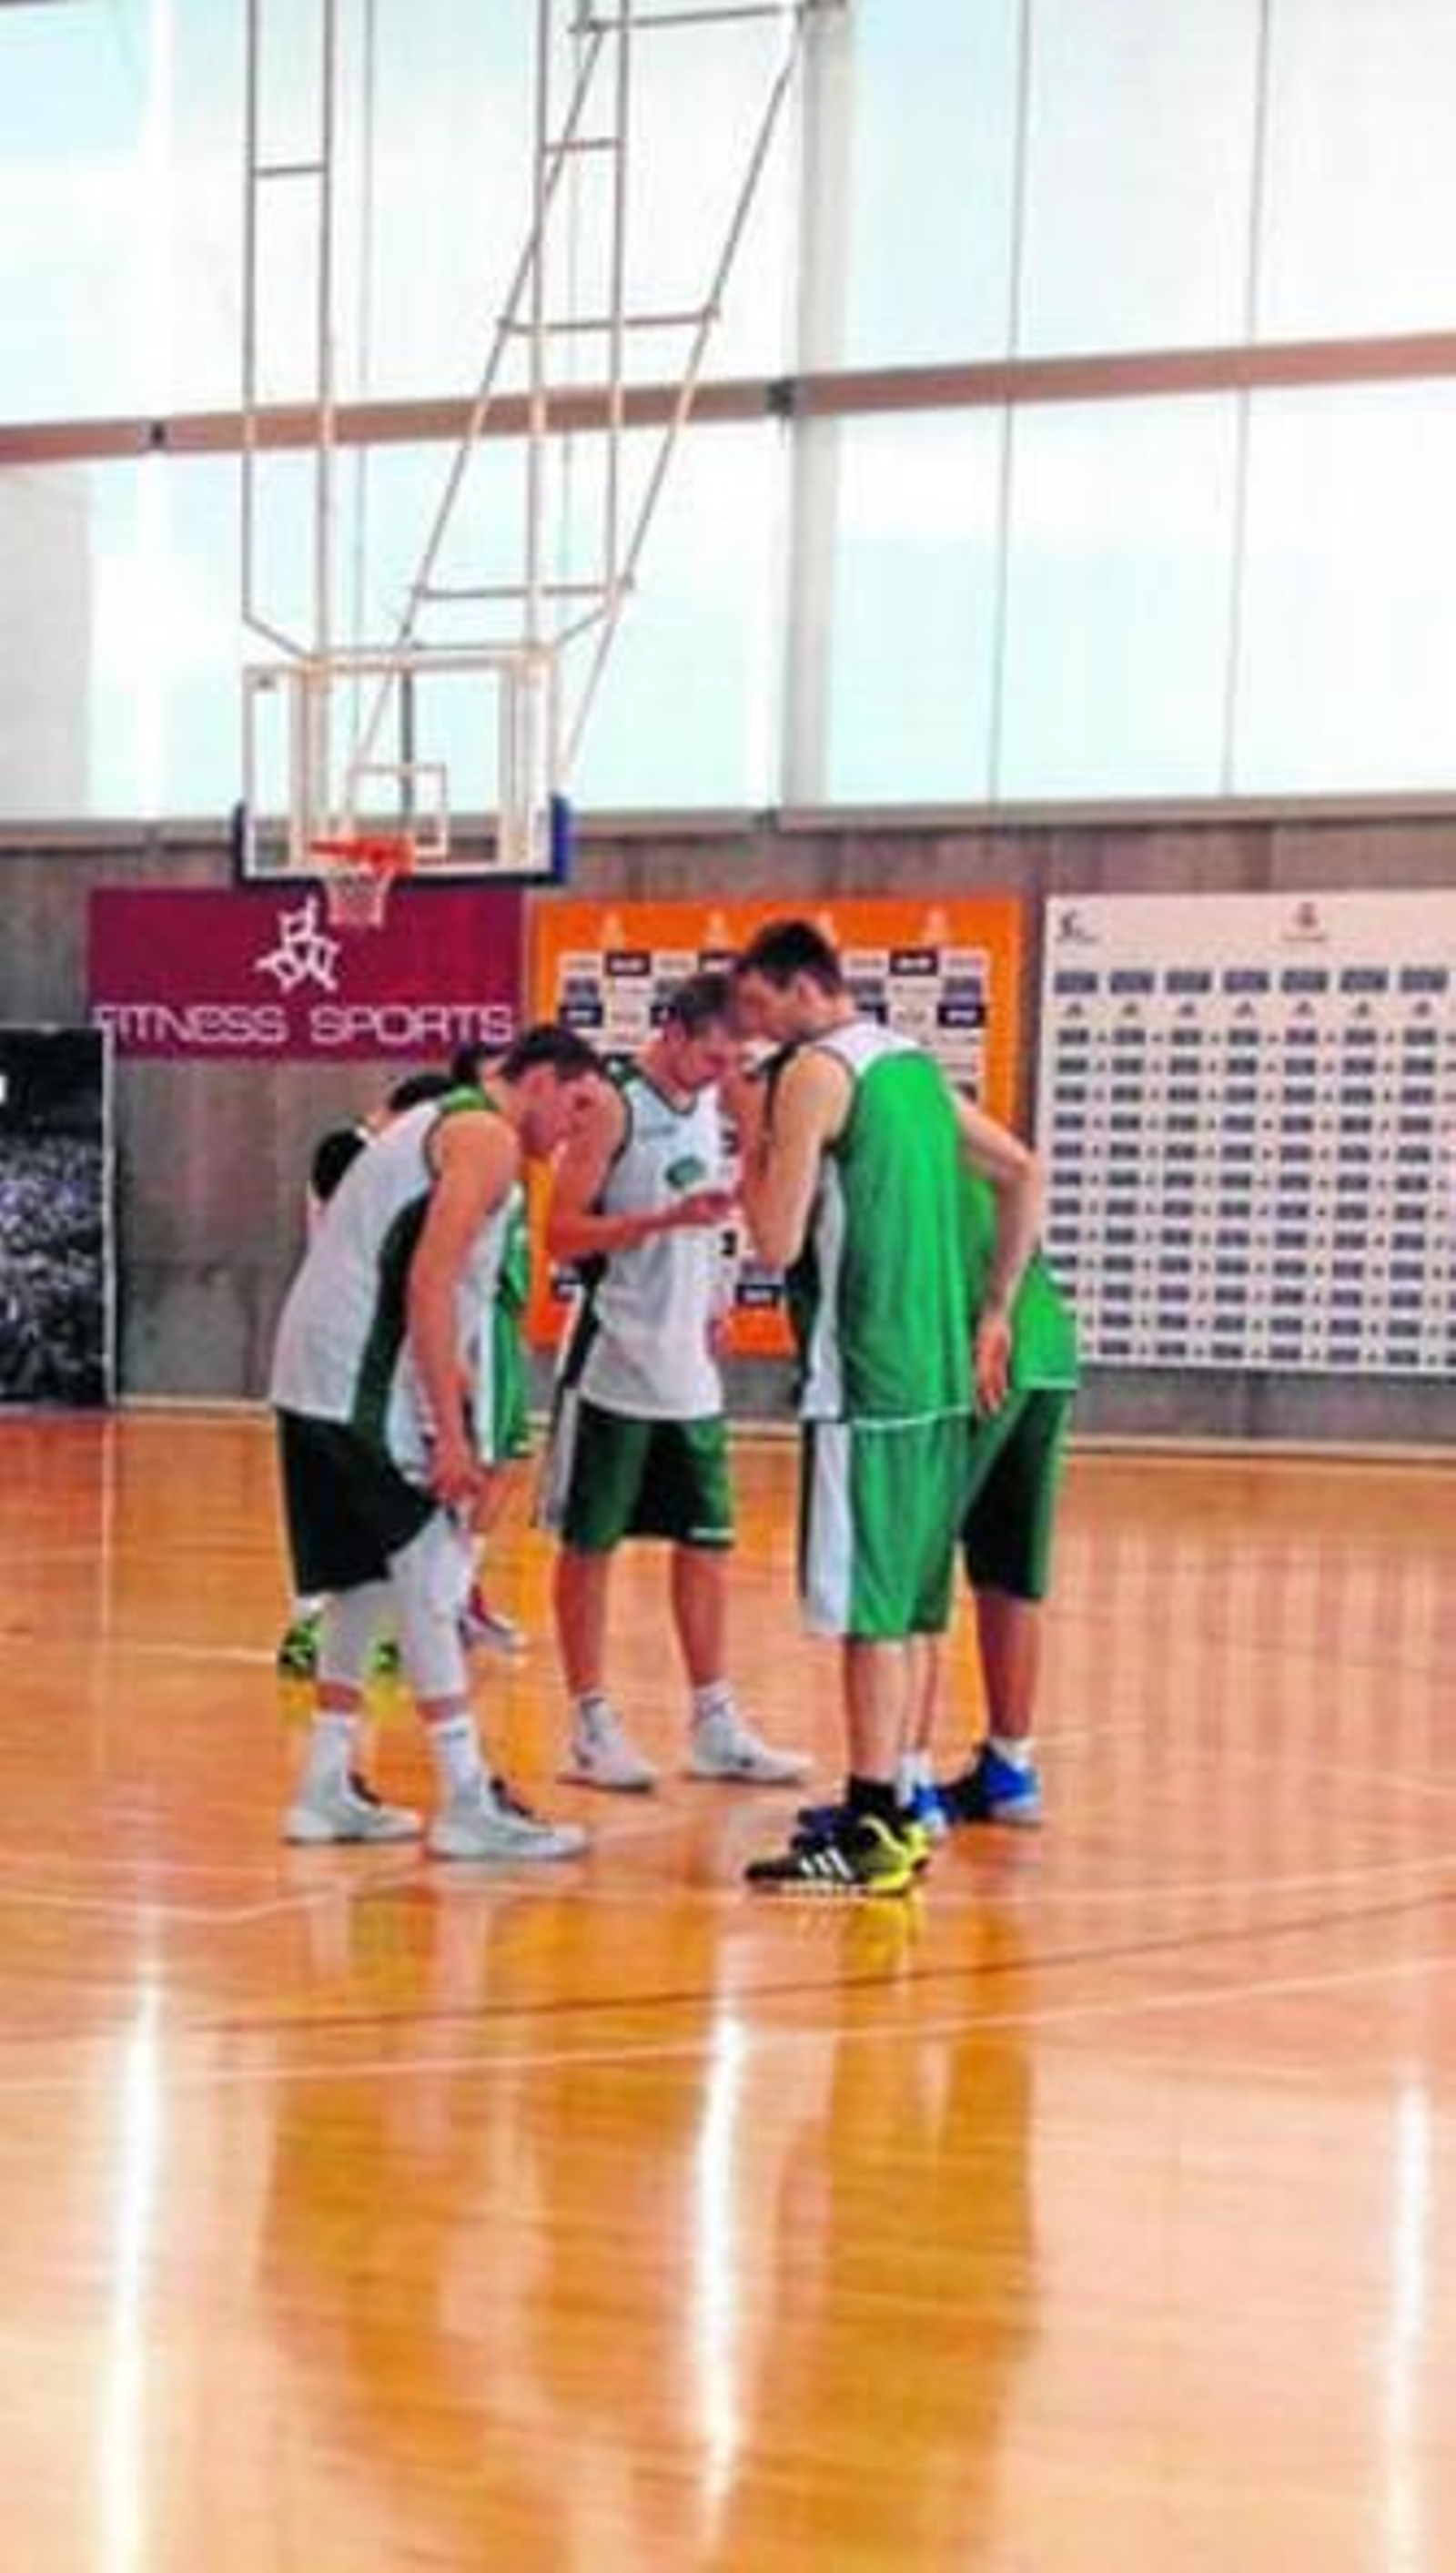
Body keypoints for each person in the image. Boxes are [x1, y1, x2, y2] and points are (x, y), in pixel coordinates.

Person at [727, 918, 1044, 1894]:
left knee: (867, 1610)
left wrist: (753, 1137)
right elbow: (1025, 1170)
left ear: (794, 988)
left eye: (752, 1004)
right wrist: (993, 1309)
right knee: (906, 1606)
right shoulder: (909, 1065)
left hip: (863, 1376)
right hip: (940, 1379)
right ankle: (897, 1805)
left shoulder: (813, 1073)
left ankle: (870, 1829)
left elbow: (775, 1243)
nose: (747, 1027)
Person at [271, 1022, 603, 1860]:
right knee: (425, 1566)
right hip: (357, 1375)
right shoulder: (486, 1137)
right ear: (539, 1080)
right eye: (575, 1105)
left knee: (359, 1582)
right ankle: (465, 1797)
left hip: (307, 1367)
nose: (573, 1129)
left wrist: (448, 1375)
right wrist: (451, 1431)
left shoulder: (433, 1121)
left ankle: (323, 1785)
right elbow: (429, 1274)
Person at [540, 969, 808, 1793]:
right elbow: (558, 1232)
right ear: (674, 1031)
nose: (719, 1072)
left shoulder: (709, 1107)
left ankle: (714, 1719)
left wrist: (716, 1296)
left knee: (708, 1542)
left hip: (686, 1365)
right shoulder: (613, 1105)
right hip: (613, 1358)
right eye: (709, 1056)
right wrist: (658, 1224)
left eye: (733, 1060)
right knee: (591, 1544)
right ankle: (590, 1722)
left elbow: (706, 1218)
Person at [276, 1069, 456, 1684]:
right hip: (339, 1346)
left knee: (360, 1525)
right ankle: (309, 1627)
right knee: (342, 1517)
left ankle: (366, 1633)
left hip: (364, 1339)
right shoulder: (348, 1150)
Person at [447, 1040, 535, 1658]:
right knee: (485, 1468)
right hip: (472, 1326)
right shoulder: (469, 1147)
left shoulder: (510, 1160)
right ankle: (449, 1597)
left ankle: (458, 1592)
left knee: (502, 1466)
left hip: (500, 1325)